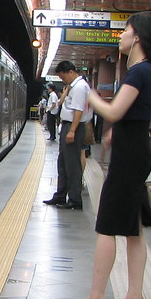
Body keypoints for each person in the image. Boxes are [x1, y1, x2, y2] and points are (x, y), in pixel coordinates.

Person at [65, 12, 151, 299]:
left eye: (125, 31)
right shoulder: (150, 73)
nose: (120, 35)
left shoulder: (137, 74)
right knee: (133, 229)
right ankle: (134, 294)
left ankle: (96, 297)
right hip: (138, 155)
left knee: (106, 227)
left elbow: (115, 111)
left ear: (137, 38)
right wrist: (124, 132)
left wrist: (90, 95)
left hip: (127, 160)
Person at [43, 62, 89, 209]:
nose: (63, 81)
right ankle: (61, 196)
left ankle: (74, 199)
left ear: (70, 72)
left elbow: (78, 111)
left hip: (73, 126)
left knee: (72, 164)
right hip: (68, 125)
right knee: (63, 162)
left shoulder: (80, 87)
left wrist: (72, 131)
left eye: (63, 77)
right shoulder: (74, 86)